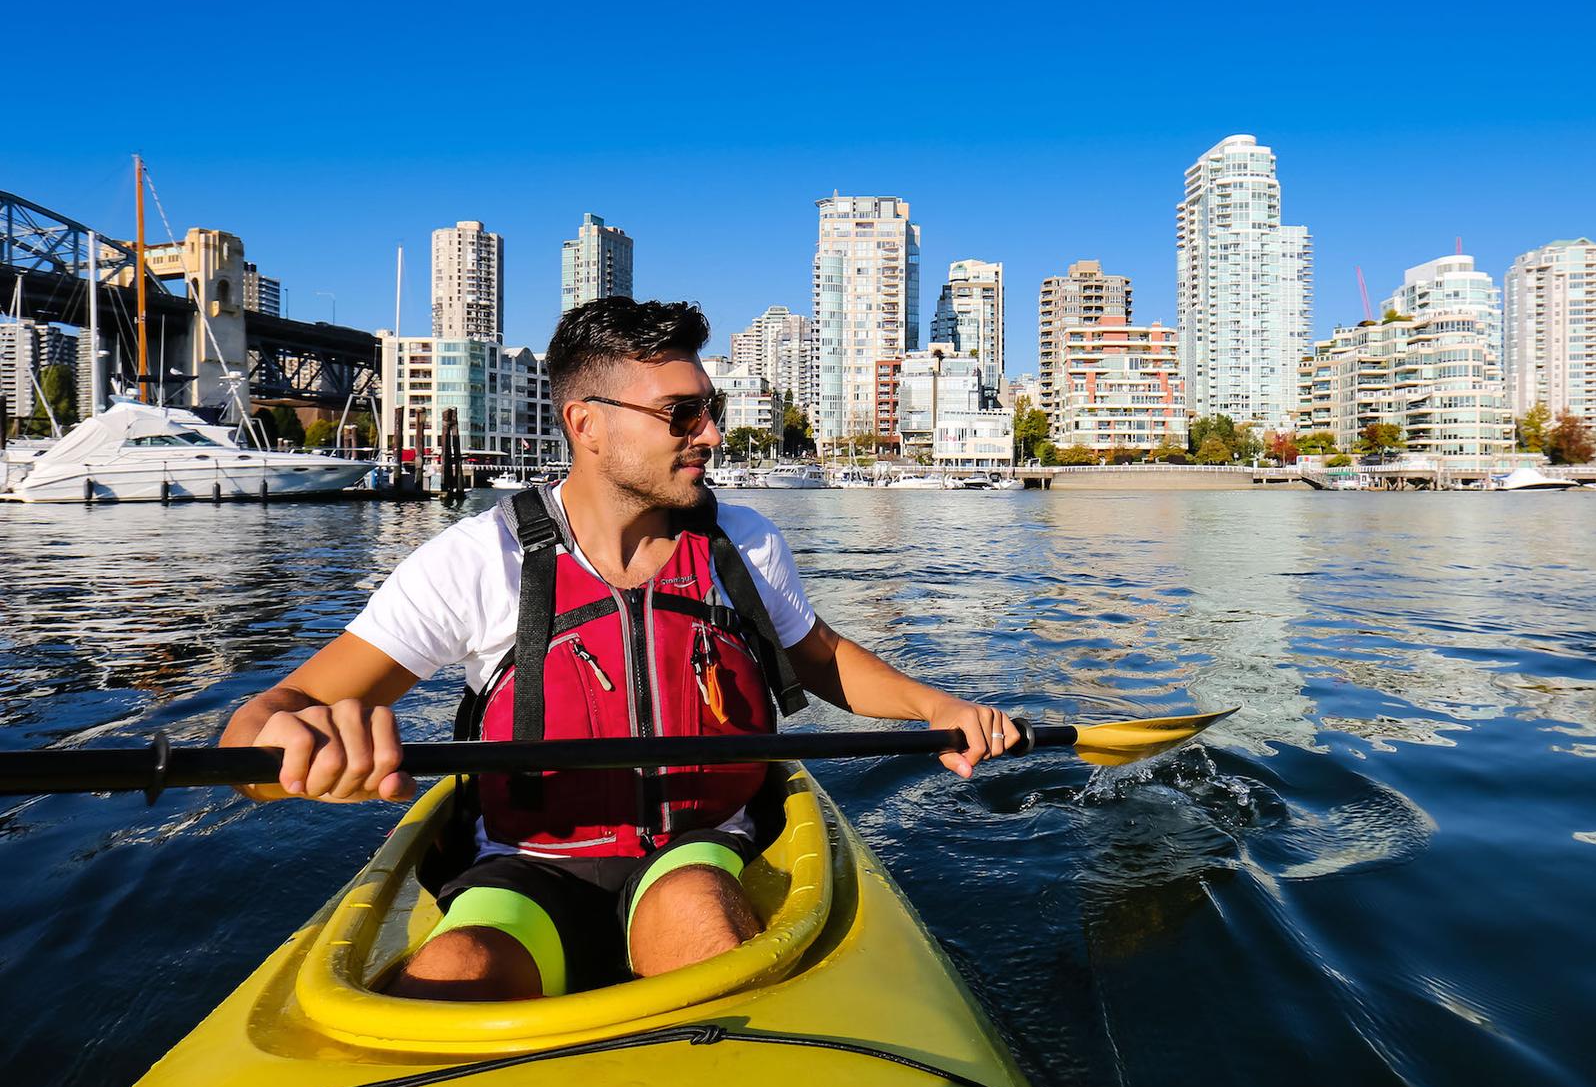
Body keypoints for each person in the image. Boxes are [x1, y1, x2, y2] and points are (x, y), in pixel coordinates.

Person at [220, 299, 1021, 1001]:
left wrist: (936, 707)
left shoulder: (743, 542)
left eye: (707, 409)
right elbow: (264, 724)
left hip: (700, 846)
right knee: (457, 965)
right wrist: (287, 750)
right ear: (587, 424)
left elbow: (816, 655)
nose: (709, 433)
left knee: (695, 912)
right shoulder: (475, 561)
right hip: (528, 863)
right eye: (681, 413)